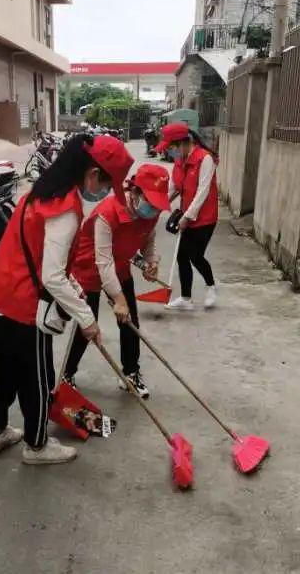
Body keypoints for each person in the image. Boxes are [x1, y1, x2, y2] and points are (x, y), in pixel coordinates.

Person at [0, 134, 134, 464]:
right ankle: (37, 446)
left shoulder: (43, 191)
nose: (106, 193)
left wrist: (75, 288)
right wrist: (87, 320)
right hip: (23, 306)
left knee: (4, 370)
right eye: (108, 184)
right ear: (93, 174)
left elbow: (43, 258)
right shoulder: (65, 209)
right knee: (38, 378)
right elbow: (51, 275)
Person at [63, 164, 171, 399]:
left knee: (130, 321)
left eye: (157, 205)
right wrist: (117, 298)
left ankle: (131, 373)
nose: (154, 209)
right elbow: (103, 262)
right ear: (135, 192)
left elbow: (148, 241)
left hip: (120, 266)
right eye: (150, 202)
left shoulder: (151, 214)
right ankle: (67, 375)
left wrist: (151, 261)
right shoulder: (108, 212)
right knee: (87, 324)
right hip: (90, 266)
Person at [155, 123, 219, 311]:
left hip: (205, 218)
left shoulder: (205, 159)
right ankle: (186, 298)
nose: (171, 152)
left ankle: (211, 287)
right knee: (182, 256)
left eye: (172, 148)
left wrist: (187, 217)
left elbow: (203, 191)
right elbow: (175, 187)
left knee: (195, 255)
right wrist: (158, 205)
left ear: (183, 143)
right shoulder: (180, 160)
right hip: (187, 214)